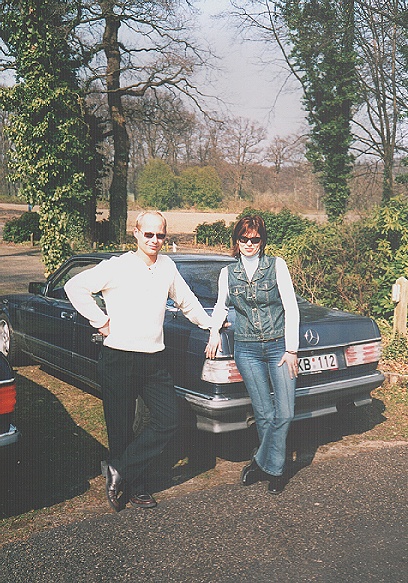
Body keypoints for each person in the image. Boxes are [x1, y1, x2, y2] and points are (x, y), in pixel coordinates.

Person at [65, 210, 213, 511]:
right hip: (118, 358)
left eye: (160, 235)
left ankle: (119, 470)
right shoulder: (117, 266)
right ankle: (135, 487)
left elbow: (187, 301)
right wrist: (100, 321)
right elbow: (74, 287)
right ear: (136, 233)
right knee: (120, 428)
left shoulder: (167, 266)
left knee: (168, 419)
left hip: (153, 360)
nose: (154, 240)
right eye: (149, 234)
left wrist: (210, 325)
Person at [206, 215, 299, 494]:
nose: (249, 243)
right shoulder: (228, 273)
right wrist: (214, 332)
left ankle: (260, 461)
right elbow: (221, 306)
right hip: (247, 350)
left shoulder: (277, 266)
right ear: (236, 240)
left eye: (255, 239)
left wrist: (291, 349)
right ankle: (276, 469)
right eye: (243, 238)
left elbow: (291, 307)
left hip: (278, 347)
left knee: (285, 413)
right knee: (264, 413)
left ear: (262, 241)